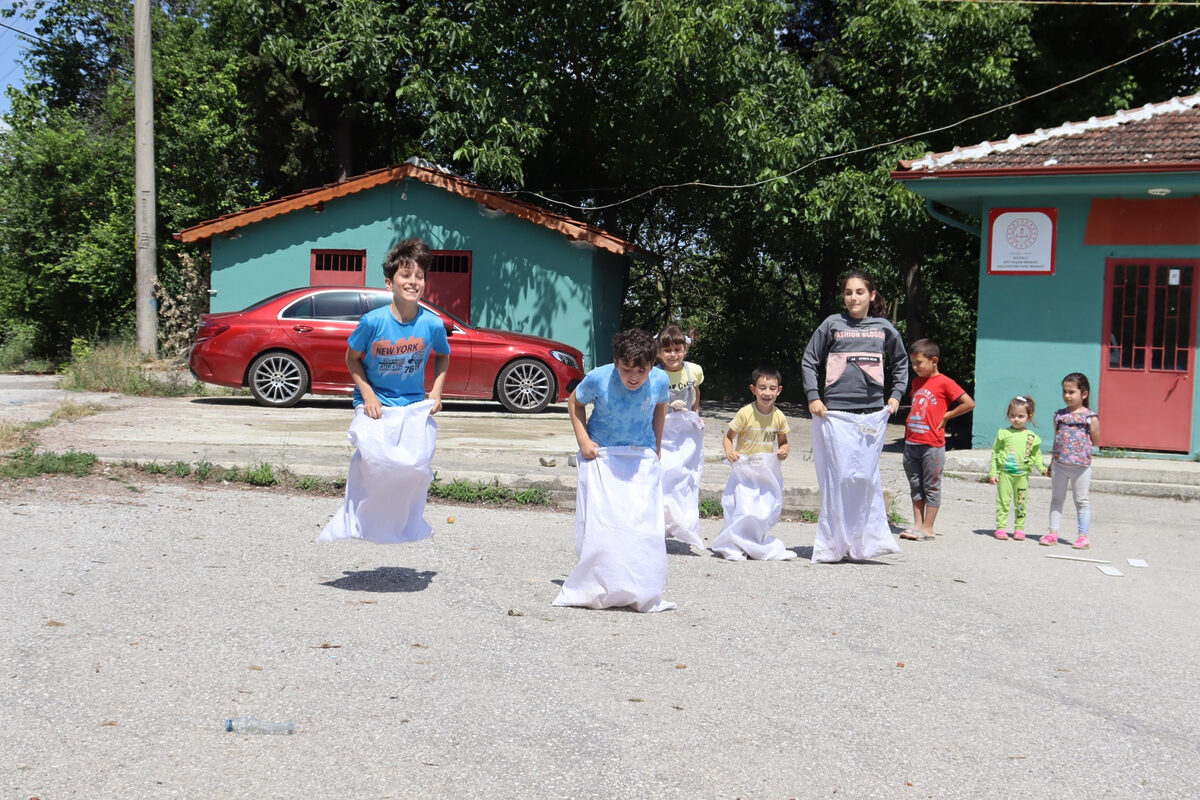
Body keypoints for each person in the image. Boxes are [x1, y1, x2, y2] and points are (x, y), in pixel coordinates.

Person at [320, 238, 451, 545]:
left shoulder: (432, 324)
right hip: (375, 401)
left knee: (416, 467)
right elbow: (352, 359)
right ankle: (356, 519)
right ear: (389, 282)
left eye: (419, 276)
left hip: (411, 404)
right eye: (406, 276)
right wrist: (368, 395)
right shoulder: (372, 322)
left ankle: (405, 524)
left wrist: (436, 391)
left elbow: (443, 356)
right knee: (377, 461)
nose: (413, 282)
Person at [552, 328, 674, 612]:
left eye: (641, 370)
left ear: (652, 365)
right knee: (603, 524)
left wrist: (656, 445)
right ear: (617, 362)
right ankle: (598, 583)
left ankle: (638, 584)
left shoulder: (659, 379)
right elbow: (575, 402)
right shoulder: (599, 377)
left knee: (640, 524)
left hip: (639, 455)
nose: (633, 377)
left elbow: (660, 406)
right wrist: (584, 440)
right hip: (602, 455)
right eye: (626, 369)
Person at [801, 270, 908, 563]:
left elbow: (900, 362)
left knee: (863, 478)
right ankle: (834, 543)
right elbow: (810, 360)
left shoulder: (884, 328)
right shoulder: (832, 324)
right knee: (841, 477)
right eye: (849, 292)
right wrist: (814, 396)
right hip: (835, 413)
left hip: (872, 414)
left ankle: (862, 544)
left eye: (860, 292)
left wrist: (896, 395)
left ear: (871, 295)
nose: (853, 298)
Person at [710, 366, 796, 561]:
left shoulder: (779, 416)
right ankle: (735, 543)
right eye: (762, 388)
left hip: (765, 471)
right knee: (743, 507)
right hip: (744, 470)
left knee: (762, 511)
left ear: (779, 390)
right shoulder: (745, 413)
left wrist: (784, 451)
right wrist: (730, 451)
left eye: (772, 388)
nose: (767, 393)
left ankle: (753, 542)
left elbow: (784, 442)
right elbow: (728, 436)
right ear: (753, 389)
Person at [900, 339, 975, 541]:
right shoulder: (917, 382)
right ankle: (917, 525)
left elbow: (968, 403)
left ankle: (928, 528)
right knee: (915, 485)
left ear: (934, 360)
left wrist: (947, 416)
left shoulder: (945, 382)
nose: (915, 368)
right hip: (912, 442)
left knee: (931, 485)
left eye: (919, 363)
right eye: (913, 364)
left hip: (932, 445)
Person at [655, 324, 706, 552]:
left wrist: (696, 414)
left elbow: (695, 393)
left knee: (684, 475)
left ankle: (683, 521)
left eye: (677, 349)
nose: (673, 354)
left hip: (685, 431)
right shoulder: (655, 373)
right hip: (663, 428)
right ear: (658, 352)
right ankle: (661, 523)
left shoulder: (693, 370)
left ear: (685, 349)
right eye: (667, 350)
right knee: (664, 473)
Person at [1043, 372, 1100, 549]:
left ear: (1084, 394)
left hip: (1080, 467)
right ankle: (1053, 533)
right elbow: (1057, 439)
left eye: (1072, 392)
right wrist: (1052, 463)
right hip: (1060, 465)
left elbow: (1096, 441)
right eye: (1065, 392)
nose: (1067, 396)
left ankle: (1083, 537)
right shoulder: (1059, 416)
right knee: (1057, 499)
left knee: (1081, 500)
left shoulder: (1090, 418)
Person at [988, 395, 1044, 541]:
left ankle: (1019, 529)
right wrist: (993, 472)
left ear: (1029, 417)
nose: (1016, 419)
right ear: (1008, 415)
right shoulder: (1003, 433)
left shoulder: (1031, 437)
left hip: (1022, 476)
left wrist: (1043, 469)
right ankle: (1001, 528)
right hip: (1006, 474)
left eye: (1021, 416)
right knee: (1003, 502)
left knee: (1021, 502)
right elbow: (995, 453)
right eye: (1012, 415)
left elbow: (1036, 455)